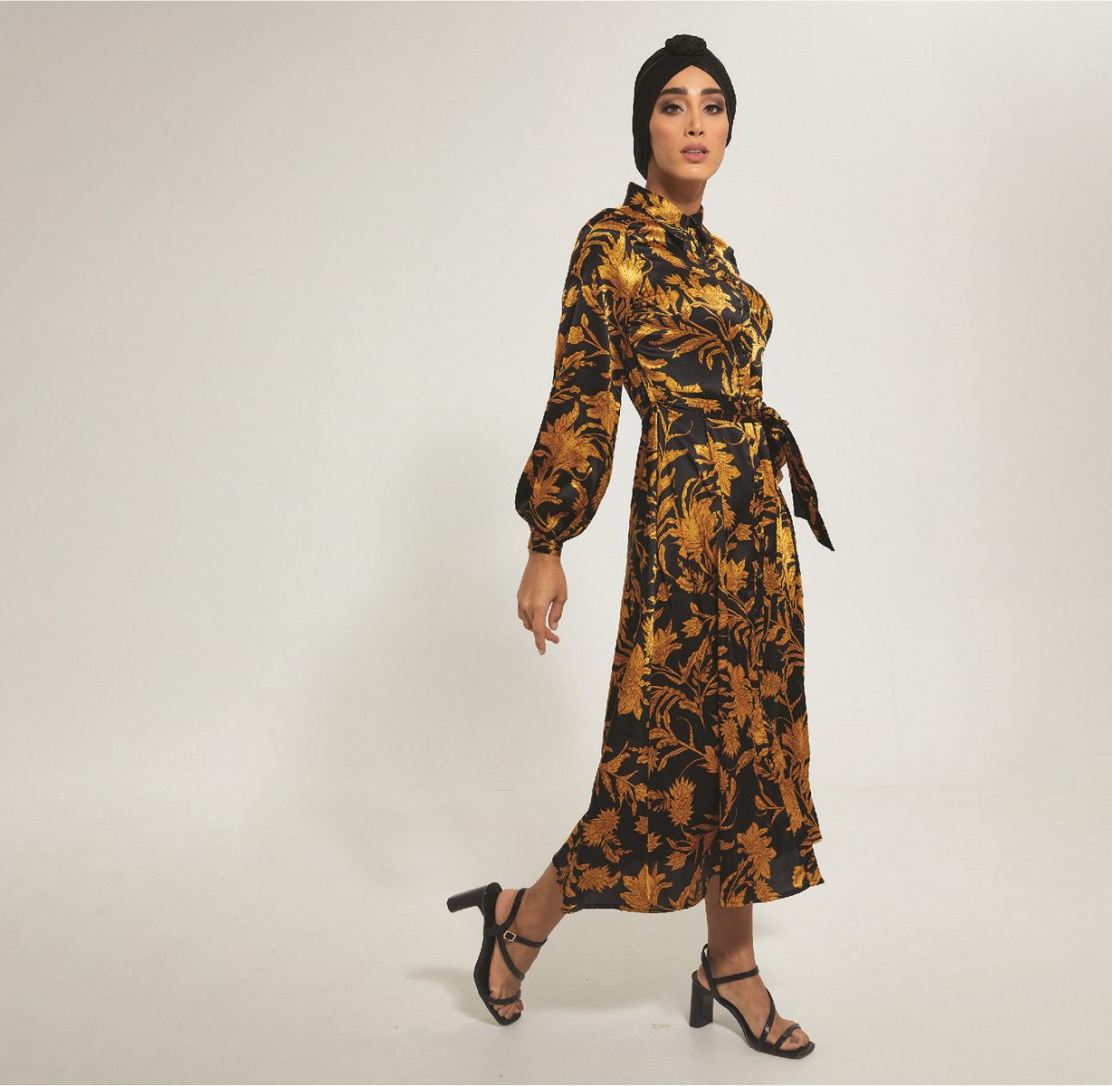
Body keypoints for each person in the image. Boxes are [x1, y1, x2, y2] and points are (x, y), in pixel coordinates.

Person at [447, 32, 834, 1059]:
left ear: (730, 129)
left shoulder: (721, 259)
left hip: (755, 530)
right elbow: (583, 390)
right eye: (673, 103)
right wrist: (549, 537)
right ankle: (519, 923)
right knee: (656, 761)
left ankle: (731, 966)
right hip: (681, 528)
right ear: (644, 126)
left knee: (746, 747)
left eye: (714, 104)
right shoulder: (610, 243)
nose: (696, 122)